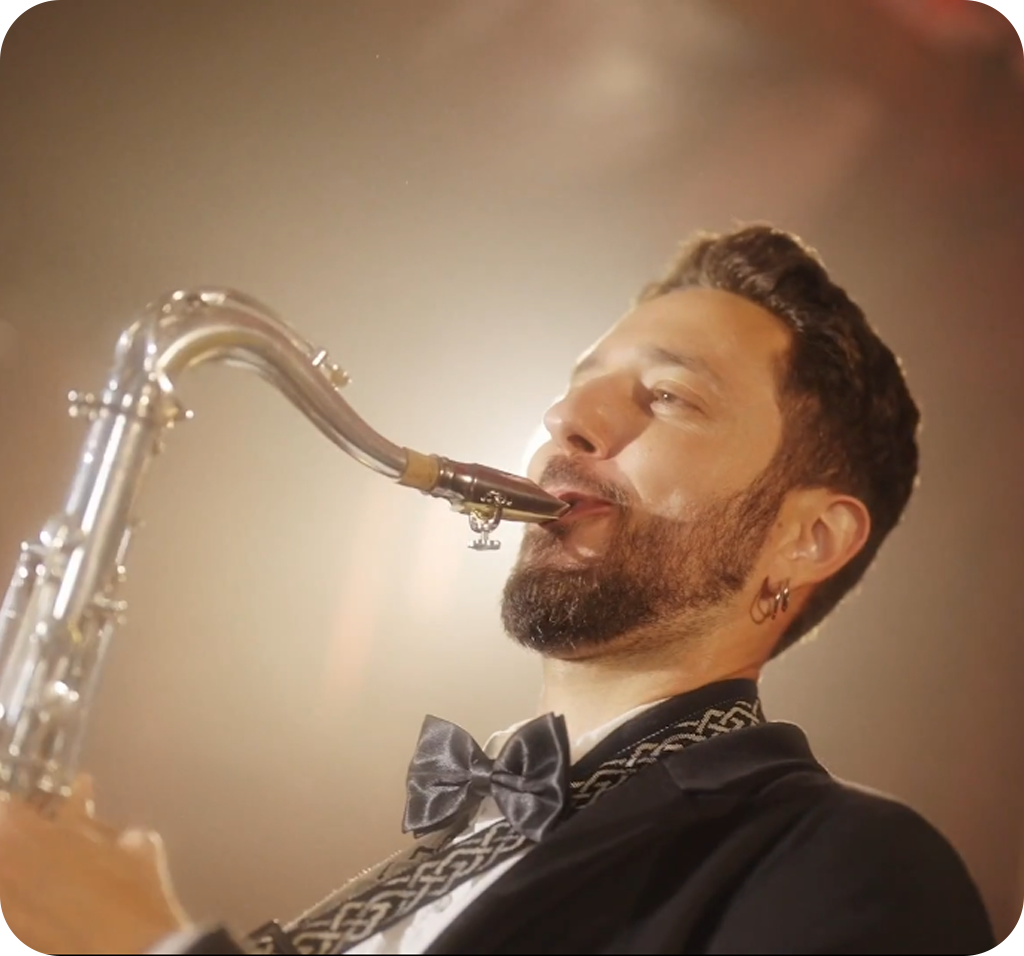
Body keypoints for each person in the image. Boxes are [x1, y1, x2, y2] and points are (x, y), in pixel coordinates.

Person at [0, 224, 997, 955]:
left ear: (807, 537)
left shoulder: (855, 861)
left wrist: (155, 945)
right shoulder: (452, 848)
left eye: (668, 396)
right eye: (576, 385)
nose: (567, 418)